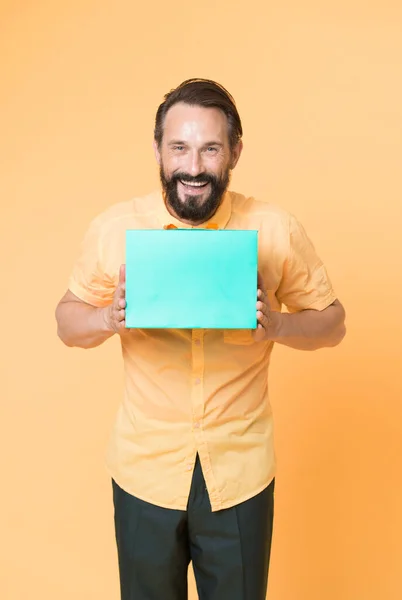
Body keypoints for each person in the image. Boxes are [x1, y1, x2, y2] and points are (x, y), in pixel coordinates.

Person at [55, 78, 346, 600]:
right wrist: (108, 317)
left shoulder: (275, 229)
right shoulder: (116, 227)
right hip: (144, 471)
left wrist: (277, 325)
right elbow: (65, 321)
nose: (193, 166)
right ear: (158, 150)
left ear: (235, 151)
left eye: (211, 148)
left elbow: (333, 323)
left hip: (239, 474)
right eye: (179, 148)